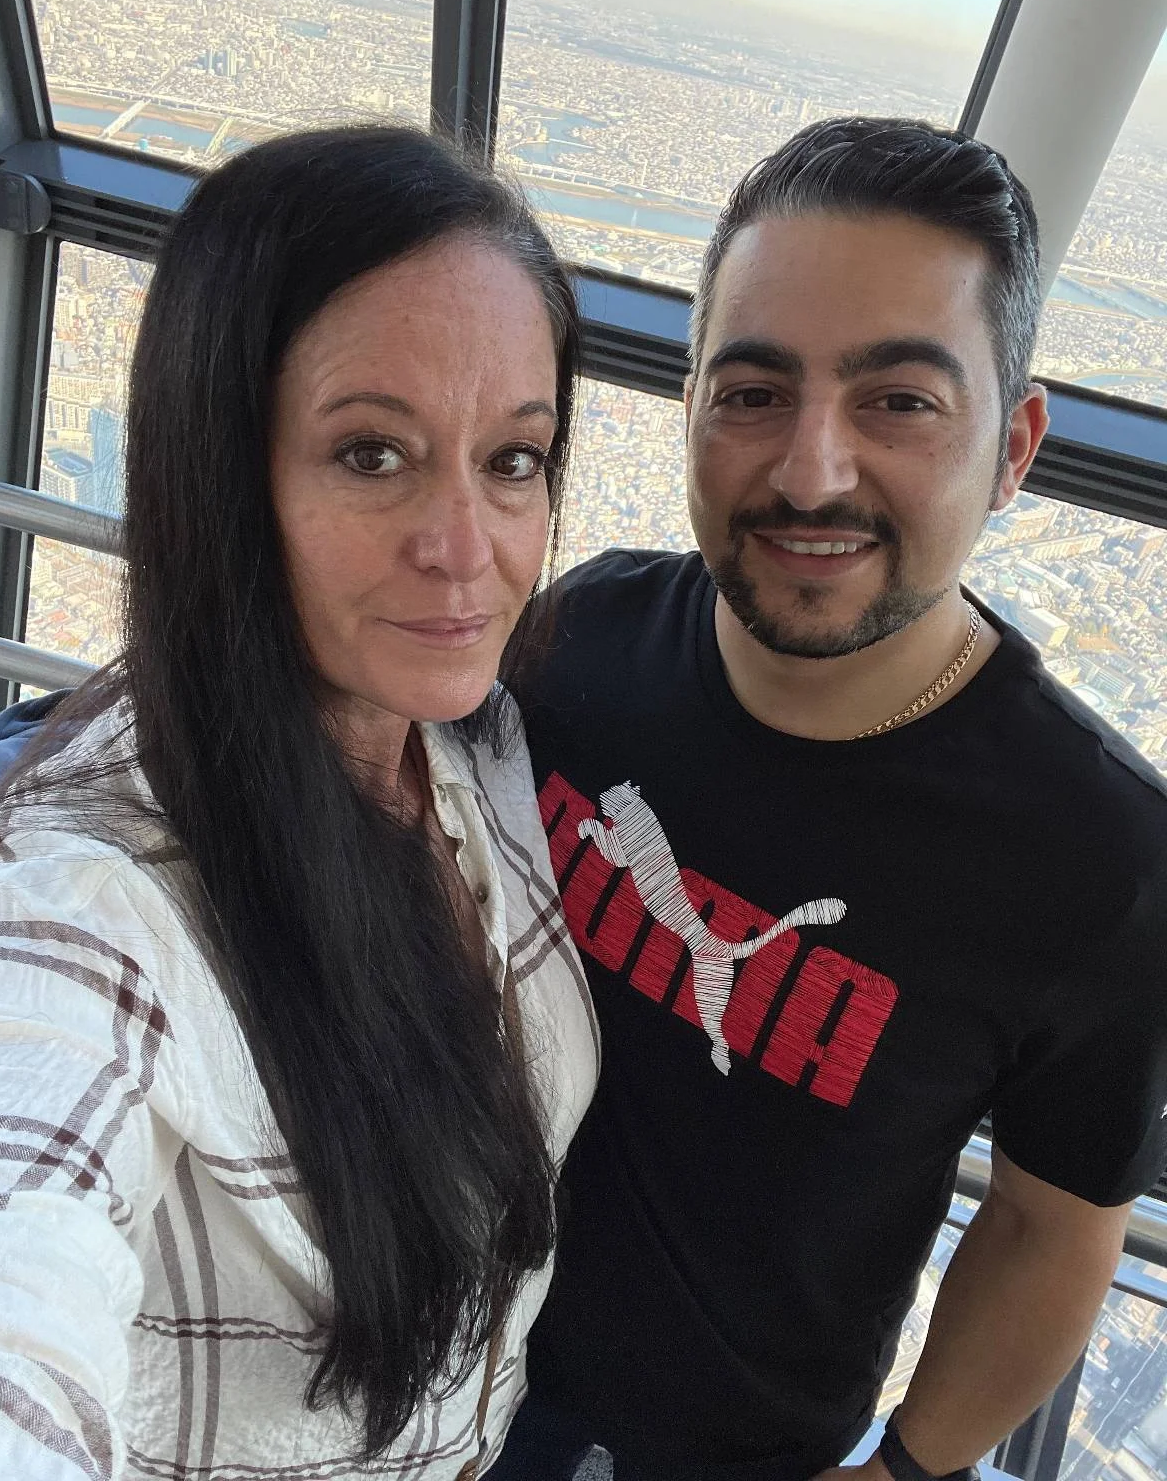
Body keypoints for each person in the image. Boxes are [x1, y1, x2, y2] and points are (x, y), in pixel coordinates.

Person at [490, 118, 1167, 1481]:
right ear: (689, 406)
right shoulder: (581, 639)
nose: (811, 473)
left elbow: (1050, 1225)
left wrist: (906, 1470)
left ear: (1014, 447)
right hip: (420, 1359)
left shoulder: (1101, 861)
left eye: (899, 402)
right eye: (752, 392)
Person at [0, 125, 599, 1479]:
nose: (467, 551)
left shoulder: (478, 738)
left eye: (514, 459)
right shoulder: (85, 906)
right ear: (221, 470)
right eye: (372, 454)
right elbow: (11, 1217)